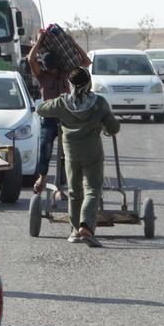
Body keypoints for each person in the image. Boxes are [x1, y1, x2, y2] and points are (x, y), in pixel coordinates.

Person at [35, 68, 119, 248]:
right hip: (93, 153)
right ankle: (86, 226)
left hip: (71, 154)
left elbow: (41, 109)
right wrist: (107, 125)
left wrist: (54, 102)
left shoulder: (62, 103)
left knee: (74, 191)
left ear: (70, 84)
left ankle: (74, 231)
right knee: (93, 189)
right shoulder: (99, 103)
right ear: (89, 83)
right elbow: (113, 127)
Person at [27, 30, 72, 195]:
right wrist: (39, 41)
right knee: (45, 145)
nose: (52, 71)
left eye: (53, 68)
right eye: (49, 68)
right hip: (49, 118)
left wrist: (71, 42)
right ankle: (43, 177)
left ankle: (61, 187)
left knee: (66, 153)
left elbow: (85, 62)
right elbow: (30, 59)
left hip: (67, 118)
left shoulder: (66, 73)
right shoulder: (42, 75)